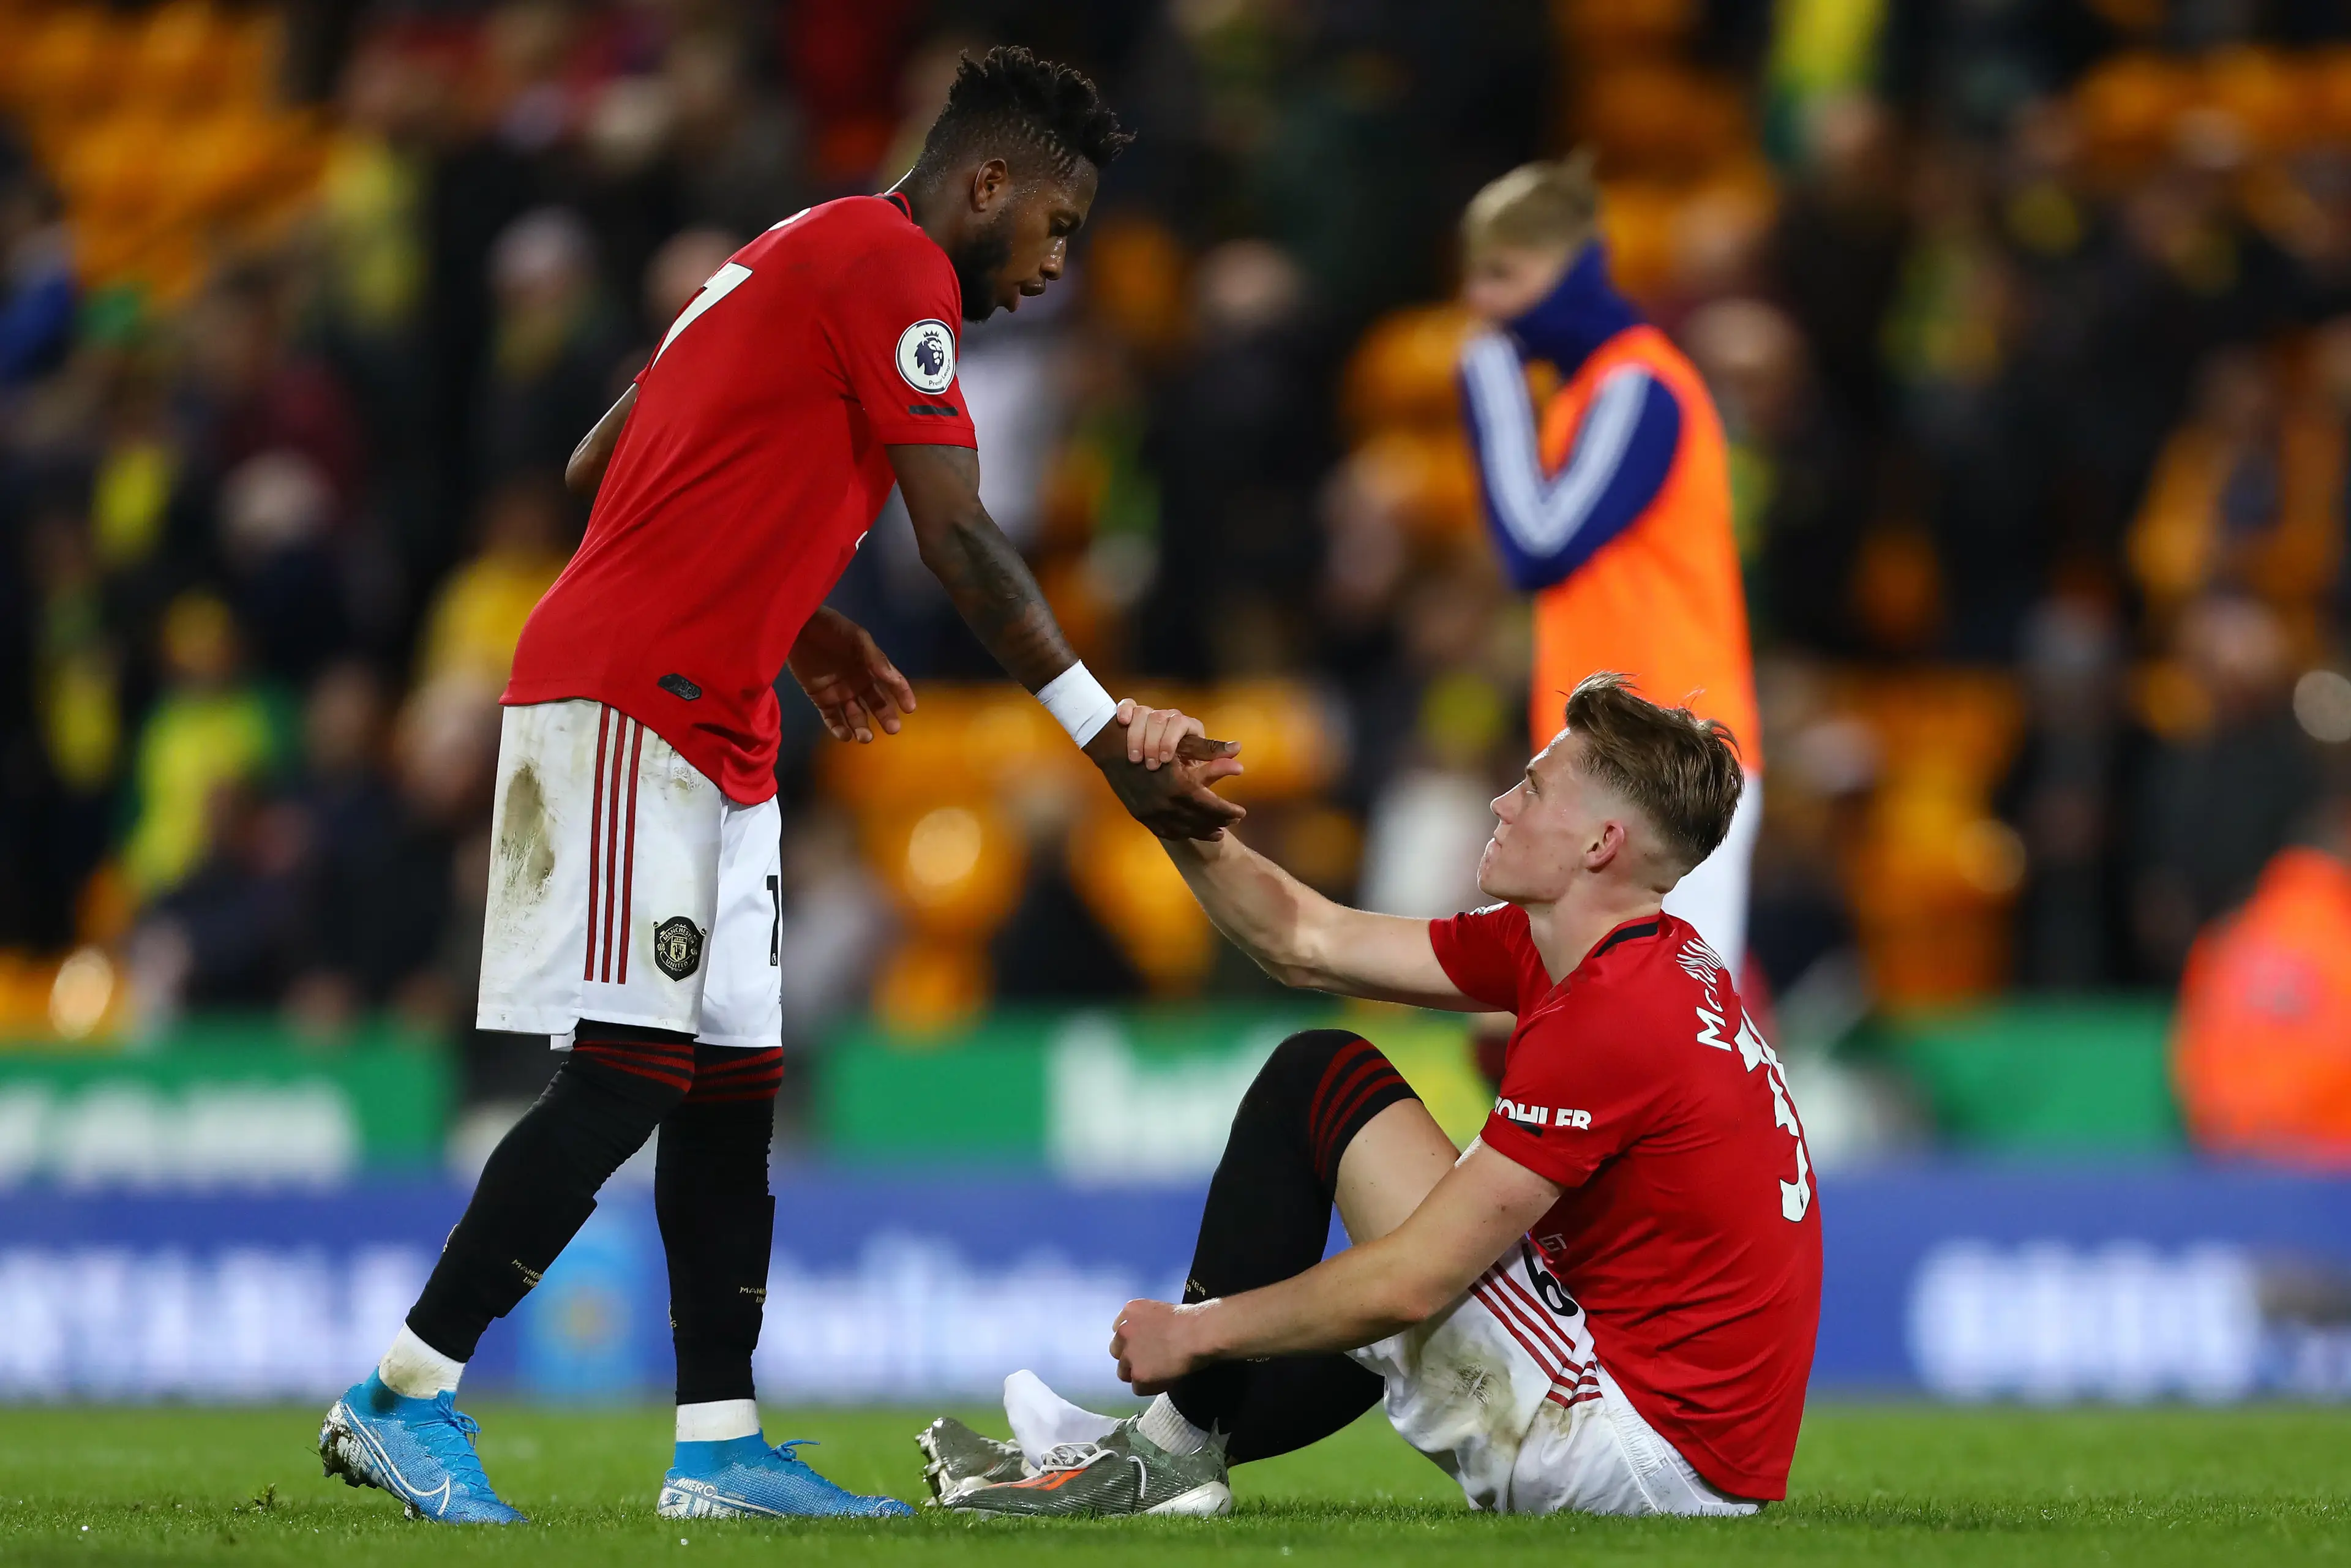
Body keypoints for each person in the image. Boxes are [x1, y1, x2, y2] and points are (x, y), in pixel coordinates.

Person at [318, 47, 1244, 1526]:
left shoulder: (790, 250)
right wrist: (1103, 726)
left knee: (737, 1081)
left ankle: (720, 1446)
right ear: (988, 182)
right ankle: (399, 1393)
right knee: (626, 1069)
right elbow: (959, 537)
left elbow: (600, 454)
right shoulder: (892, 267)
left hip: (719, 708)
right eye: (1060, 226)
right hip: (635, 691)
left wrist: (801, 619)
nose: (1058, 264)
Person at [921, 674, 1820, 1519]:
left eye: (1534, 790)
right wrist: (1170, 812)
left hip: (1644, 1461)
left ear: (1600, 845)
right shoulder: (1609, 955)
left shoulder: (1613, 1012)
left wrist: (1198, 1332)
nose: (1502, 804)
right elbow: (1305, 940)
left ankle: (1166, 1453)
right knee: (1422, 1185)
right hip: (1680, 1441)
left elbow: (1414, 1278)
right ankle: (1157, 1449)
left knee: (1325, 1090)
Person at [1455, 157, 1764, 972]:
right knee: (1586, 1031)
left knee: (1664, 1039)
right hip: (1608, 762)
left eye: (1503, 275)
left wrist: (1490, 396)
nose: (1484, 305)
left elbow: (1539, 545)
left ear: (1574, 266)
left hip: (1674, 761)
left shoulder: (1640, 385)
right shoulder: (1589, 396)